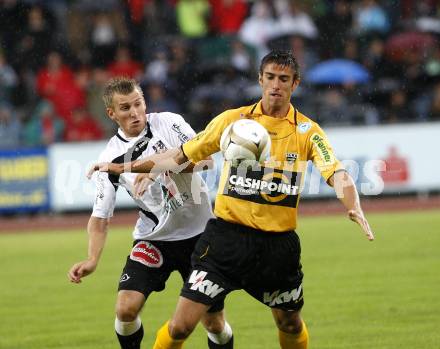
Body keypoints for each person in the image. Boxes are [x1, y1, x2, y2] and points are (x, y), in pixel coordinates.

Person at [89, 51, 375, 349]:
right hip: (225, 238)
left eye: (284, 79)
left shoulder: (307, 131)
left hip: (277, 245)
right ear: (260, 79)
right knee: (180, 327)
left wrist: (353, 204)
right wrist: (125, 167)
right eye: (270, 77)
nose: (276, 85)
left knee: (289, 322)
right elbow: (179, 155)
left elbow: (337, 172)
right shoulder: (231, 121)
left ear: (295, 83)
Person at [68, 77, 234, 349]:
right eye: (125, 108)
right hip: (154, 239)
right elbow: (100, 219)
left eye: (138, 104)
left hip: (201, 237)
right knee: (125, 309)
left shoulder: (169, 122)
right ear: (112, 114)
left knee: (214, 323)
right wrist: (92, 258)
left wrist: (155, 168)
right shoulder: (110, 158)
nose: (134, 113)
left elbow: (204, 160)